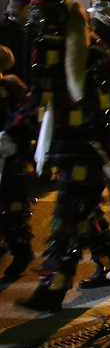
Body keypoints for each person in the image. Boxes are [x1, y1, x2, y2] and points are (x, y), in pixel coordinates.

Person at [15, 0, 110, 310]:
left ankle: (52, 287)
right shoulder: (48, 63)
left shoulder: (94, 56)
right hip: (66, 150)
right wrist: (13, 129)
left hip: (90, 151)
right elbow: (38, 104)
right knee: (83, 213)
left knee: (66, 217)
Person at [0, 45, 33, 282]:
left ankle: (22, 253)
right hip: (9, 158)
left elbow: (23, 119)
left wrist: (9, 135)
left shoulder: (10, 86)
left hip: (9, 160)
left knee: (11, 211)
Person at [0, 0, 30, 81]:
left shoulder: (24, 28)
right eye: (28, 9)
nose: (31, 12)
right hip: (11, 77)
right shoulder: (5, 30)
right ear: (19, 10)